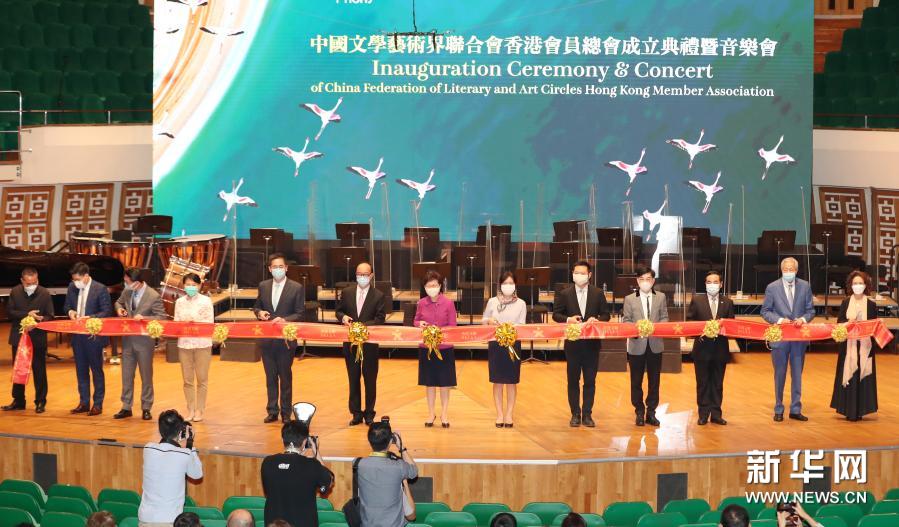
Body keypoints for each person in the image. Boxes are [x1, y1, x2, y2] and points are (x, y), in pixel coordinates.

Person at [552, 260, 610, 428]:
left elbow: (606, 315)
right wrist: (568, 319)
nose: (579, 276)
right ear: (572, 274)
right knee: (573, 380)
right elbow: (556, 315)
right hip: (573, 344)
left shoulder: (598, 293)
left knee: (590, 381)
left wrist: (597, 320)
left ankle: (587, 414)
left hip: (592, 344)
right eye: (576, 273)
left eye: (582, 273)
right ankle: (575, 414)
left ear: (589, 275)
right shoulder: (565, 293)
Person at [253, 253, 306, 424]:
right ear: (269, 269)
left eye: (280, 267)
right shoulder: (263, 286)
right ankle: (272, 410)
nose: (278, 269)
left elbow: (300, 313)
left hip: (286, 340)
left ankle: (286, 412)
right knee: (270, 377)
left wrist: (285, 320)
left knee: (285, 377)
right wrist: (259, 313)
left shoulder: (296, 287)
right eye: (274, 267)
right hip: (267, 339)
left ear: (286, 268)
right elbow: (256, 307)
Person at [760, 257, 815, 422]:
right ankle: (778, 408)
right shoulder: (772, 287)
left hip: (798, 338)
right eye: (786, 269)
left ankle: (795, 409)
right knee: (780, 374)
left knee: (797, 374)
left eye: (791, 269)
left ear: (796, 271)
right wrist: (779, 320)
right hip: (780, 338)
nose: (788, 272)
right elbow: (765, 311)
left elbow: (810, 310)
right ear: (781, 270)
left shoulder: (805, 286)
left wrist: (803, 319)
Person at [336, 262, 387, 426]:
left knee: (370, 379)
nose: (362, 277)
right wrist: (343, 317)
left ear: (371, 276)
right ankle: (356, 413)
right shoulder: (347, 292)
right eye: (359, 274)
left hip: (369, 343)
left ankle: (369, 413)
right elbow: (339, 311)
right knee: (353, 377)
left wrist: (361, 327)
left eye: (365, 275)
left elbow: (380, 318)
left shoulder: (378, 295)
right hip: (350, 343)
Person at [114, 267, 167, 421]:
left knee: (146, 376)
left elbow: (162, 317)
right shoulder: (127, 291)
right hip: (127, 340)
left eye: (127, 282)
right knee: (126, 375)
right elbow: (118, 302)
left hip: (144, 342)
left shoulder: (153, 295)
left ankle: (146, 407)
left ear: (137, 283)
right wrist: (119, 309)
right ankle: (126, 406)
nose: (126, 284)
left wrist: (145, 318)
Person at [261, 420, 333, 527]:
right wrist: (316, 451)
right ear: (304, 442)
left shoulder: (267, 462)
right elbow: (329, 480)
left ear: (282, 439)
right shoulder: (311, 465)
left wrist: (297, 458)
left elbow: (271, 489)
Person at [621, 266, 669, 427]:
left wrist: (655, 328)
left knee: (654, 381)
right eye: (641, 279)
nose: (645, 282)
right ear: (637, 281)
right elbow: (626, 320)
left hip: (655, 344)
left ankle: (651, 412)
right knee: (636, 381)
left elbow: (665, 318)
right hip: (636, 345)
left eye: (648, 279)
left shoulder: (661, 297)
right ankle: (639, 412)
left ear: (653, 281)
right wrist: (637, 329)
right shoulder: (629, 299)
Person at [687, 270, 735, 425]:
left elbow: (732, 325)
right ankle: (703, 414)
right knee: (702, 383)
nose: (712, 285)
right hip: (702, 349)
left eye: (715, 282)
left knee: (717, 384)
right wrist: (703, 329)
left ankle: (716, 414)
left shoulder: (728, 302)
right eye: (709, 282)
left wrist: (722, 327)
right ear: (705, 284)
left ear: (721, 284)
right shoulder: (697, 300)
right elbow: (689, 322)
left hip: (720, 350)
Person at [63, 262, 112, 416]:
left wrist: (90, 317)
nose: (75, 282)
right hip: (78, 336)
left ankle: (97, 404)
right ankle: (84, 402)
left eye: (77, 279)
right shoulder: (72, 287)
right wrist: (70, 312)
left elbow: (106, 311)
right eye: (73, 280)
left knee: (96, 371)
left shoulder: (100, 288)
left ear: (86, 276)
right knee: (81, 370)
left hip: (94, 337)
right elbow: (66, 306)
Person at [138, 410, 203, 525]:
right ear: (179, 432)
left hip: (145, 518)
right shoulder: (184, 454)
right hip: (169, 519)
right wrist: (190, 444)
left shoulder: (148, 449)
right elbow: (197, 475)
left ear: (159, 430)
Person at [3, 267, 54, 414]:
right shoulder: (15, 291)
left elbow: (50, 315)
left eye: (34, 282)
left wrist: (38, 321)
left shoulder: (44, 293)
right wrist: (27, 314)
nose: (32, 285)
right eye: (28, 283)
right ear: (22, 281)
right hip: (18, 338)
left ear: (37, 280)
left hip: (37, 338)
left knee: (39, 370)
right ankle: (18, 401)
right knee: (19, 369)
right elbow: (10, 312)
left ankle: (40, 401)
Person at [830, 270, 878, 421]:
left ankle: (861, 410)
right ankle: (848, 409)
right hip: (848, 346)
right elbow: (839, 323)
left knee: (863, 377)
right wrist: (848, 323)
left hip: (865, 347)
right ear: (851, 285)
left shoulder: (871, 304)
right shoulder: (845, 302)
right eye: (855, 283)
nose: (858, 286)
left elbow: (874, 326)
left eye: (860, 283)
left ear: (866, 285)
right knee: (849, 375)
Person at [413, 270, 457, 428]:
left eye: (434, 285)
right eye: (428, 285)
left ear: (440, 286)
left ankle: (444, 414)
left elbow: (453, 326)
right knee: (429, 383)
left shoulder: (448, 303)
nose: (432, 288)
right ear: (424, 287)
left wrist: (439, 333)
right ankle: (431, 413)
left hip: (444, 348)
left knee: (445, 383)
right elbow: (415, 321)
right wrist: (420, 324)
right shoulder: (421, 303)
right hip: (426, 348)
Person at [482, 271, 526, 428]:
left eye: (511, 283)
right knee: (498, 381)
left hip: (513, 345)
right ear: (500, 285)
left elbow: (522, 324)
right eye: (505, 283)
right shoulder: (492, 301)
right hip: (496, 345)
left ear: (515, 285)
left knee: (511, 381)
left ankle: (509, 414)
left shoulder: (521, 303)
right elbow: (483, 320)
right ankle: (500, 414)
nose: (508, 286)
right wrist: (489, 320)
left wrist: (510, 328)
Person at [358, 420, 418, 527]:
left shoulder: (359, 464)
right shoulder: (398, 467)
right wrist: (402, 448)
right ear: (391, 441)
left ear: (369, 440)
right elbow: (414, 472)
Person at [173, 273, 214, 422]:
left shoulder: (206, 301)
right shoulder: (179, 302)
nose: (190, 287)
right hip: (184, 344)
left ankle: (199, 410)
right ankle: (190, 409)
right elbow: (176, 322)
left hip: (202, 344)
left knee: (202, 379)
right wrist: (183, 322)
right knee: (187, 380)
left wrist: (194, 320)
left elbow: (209, 322)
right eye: (188, 285)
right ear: (183, 286)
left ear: (199, 285)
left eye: (194, 285)